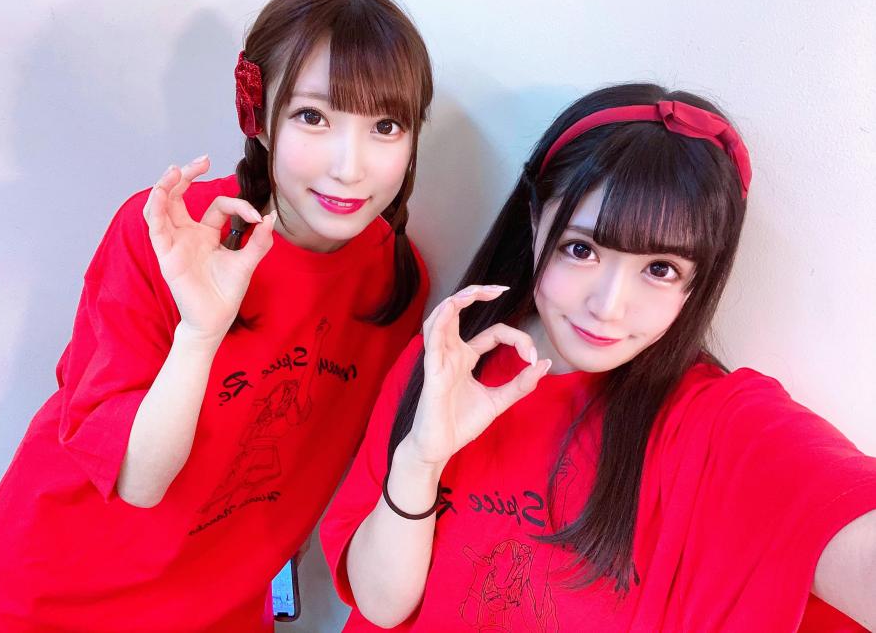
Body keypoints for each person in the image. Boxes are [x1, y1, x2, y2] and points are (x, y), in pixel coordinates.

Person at [320, 84, 876, 631]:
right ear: (535, 221)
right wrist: (421, 459)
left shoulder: (720, 425)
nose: (608, 307)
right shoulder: (453, 357)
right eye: (581, 249)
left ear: (699, 279)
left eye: (660, 269)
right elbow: (380, 605)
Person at [0, 0, 433, 632]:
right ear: (258, 116)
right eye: (313, 117)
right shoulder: (170, 231)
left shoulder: (394, 284)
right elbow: (139, 481)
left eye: (384, 126)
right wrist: (200, 331)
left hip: (217, 611)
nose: (349, 166)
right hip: (47, 596)